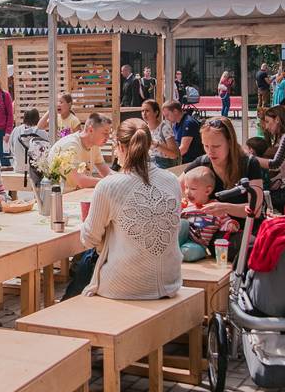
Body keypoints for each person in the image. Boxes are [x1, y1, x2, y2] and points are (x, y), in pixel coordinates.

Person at [79, 118, 183, 298]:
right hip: (169, 282)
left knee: (82, 273)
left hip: (122, 286)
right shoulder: (172, 181)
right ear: (149, 145)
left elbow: (89, 239)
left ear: (119, 146)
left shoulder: (109, 186)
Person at [184, 117, 264, 262]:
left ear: (230, 142)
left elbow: (256, 209)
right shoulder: (202, 163)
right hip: (214, 237)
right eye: (206, 146)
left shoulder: (249, 163)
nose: (210, 152)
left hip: (247, 233)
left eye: (216, 146)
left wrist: (224, 208)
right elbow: (175, 186)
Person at [180, 165, 239, 262]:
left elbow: (225, 221)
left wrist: (231, 225)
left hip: (198, 245)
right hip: (182, 237)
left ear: (207, 190)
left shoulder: (215, 207)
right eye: (186, 188)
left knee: (188, 253)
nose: (187, 192)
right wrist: (178, 208)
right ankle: (172, 250)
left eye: (193, 189)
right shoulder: (186, 205)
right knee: (182, 223)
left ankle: (177, 252)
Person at [50, 112, 112, 191]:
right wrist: (107, 182)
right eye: (105, 133)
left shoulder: (94, 145)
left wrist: (121, 179)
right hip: (61, 195)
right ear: (91, 130)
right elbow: (81, 181)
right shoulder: (71, 145)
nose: (108, 137)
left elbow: (106, 171)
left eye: (109, 133)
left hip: (77, 194)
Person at [8, 108, 49, 173]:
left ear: (24, 117)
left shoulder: (16, 130)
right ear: (37, 118)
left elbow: (11, 149)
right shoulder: (42, 132)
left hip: (19, 168)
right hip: (37, 170)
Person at [142, 100, 179, 169]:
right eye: (142, 111)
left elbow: (174, 155)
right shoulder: (144, 129)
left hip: (162, 163)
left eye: (147, 111)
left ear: (156, 113)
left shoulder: (164, 128)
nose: (144, 113)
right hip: (147, 162)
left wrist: (157, 145)